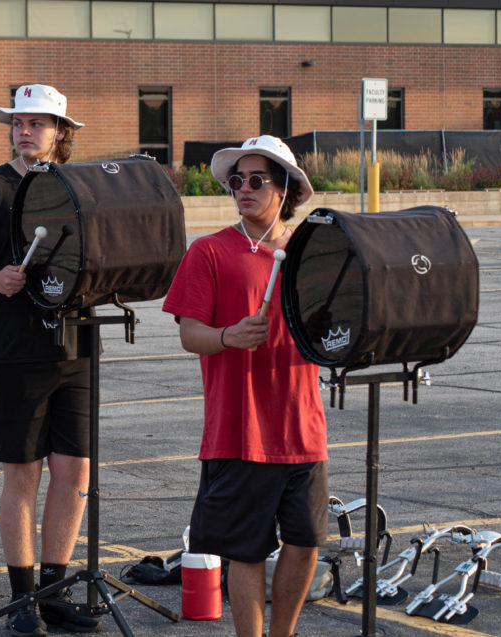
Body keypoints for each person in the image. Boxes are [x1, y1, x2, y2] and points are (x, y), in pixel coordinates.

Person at [0, 85, 102, 637]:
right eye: (18, 122)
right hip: (12, 350)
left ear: (61, 132)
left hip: (75, 346)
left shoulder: (76, 187)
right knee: (24, 472)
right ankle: (21, 599)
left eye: (37, 123)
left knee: (74, 470)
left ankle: (54, 592)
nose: (25, 131)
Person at [162, 135, 328, 637]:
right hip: (240, 431)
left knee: (306, 543)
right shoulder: (209, 250)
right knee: (246, 551)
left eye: (257, 179)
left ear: (285, 189)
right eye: (237, 180)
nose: (244, 188)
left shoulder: (310, 253)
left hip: (302, 426)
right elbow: (190, 334)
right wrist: (227, 336)